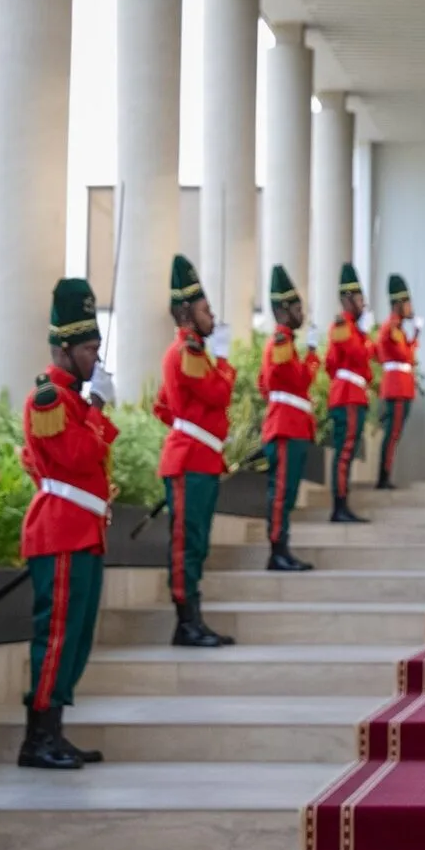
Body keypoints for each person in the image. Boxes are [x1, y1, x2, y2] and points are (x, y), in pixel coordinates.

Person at [17, 277, 120, 770]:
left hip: (82, 531)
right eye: (88, 348)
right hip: (60, 532)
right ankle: (37, 738)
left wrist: (93, 405)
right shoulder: (49, 400)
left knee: (76, 638)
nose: (95, 360)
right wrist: (97, 407)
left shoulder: (73, 399)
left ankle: (54, 731)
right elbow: (80, 456)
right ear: (63, 348)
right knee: (56, 636)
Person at [155, 255, 236, 648]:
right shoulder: (188, 353)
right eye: (206, 310)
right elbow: (220, 393)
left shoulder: (193, 354)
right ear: (187, 313)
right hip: (190, 460)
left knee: (197, 542)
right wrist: (223, 359)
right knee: (188, 544)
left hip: (198, 457)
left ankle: (193, 619)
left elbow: (162, 405)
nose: (213, 316)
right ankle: (186, 622)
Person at [260, 265, 321, 572]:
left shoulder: (283, 343)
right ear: (284, 311)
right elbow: (298, 381)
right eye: (297, 308)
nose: (302, 313)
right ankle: (277, 550)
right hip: (286, 427)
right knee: (282, 493)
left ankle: (282, 547)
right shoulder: (282, 343)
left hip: (291, 425)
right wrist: (312, 354)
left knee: (287, 493)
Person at [325, 262, 373, 522]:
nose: (362, 303)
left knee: (348, 451)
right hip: (347, 396)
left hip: (354, 394)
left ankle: (342, 503)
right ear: (346, 299)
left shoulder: (352, 327)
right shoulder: (343, 325)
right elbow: (355, 354)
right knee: (344, 452)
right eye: (358, 298)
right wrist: (364, 335)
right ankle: (339, 505)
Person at [374, 273, 420, 490]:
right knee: (392, 434)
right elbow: (406, 356)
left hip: (401, 385)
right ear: (399, 304)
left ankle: (385, 474)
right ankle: (383, 476)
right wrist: (417, 336)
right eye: (408, 303)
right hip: (397, 387)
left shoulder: (398, 328)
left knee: (394, 433)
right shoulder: (392, 328)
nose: (410, 308)